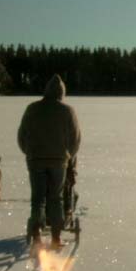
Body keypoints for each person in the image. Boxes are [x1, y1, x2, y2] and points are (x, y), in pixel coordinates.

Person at [17, 74, 82, 250]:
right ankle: (55, 237)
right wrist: (68, 156)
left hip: (35, 160)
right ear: (62, 93)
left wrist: (30, 152)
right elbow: (75, 139)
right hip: (58, 162)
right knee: (56, 198)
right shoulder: (67, 111)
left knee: (37, 199)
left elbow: (22, 136)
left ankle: (37, 234)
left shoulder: (32, 109)